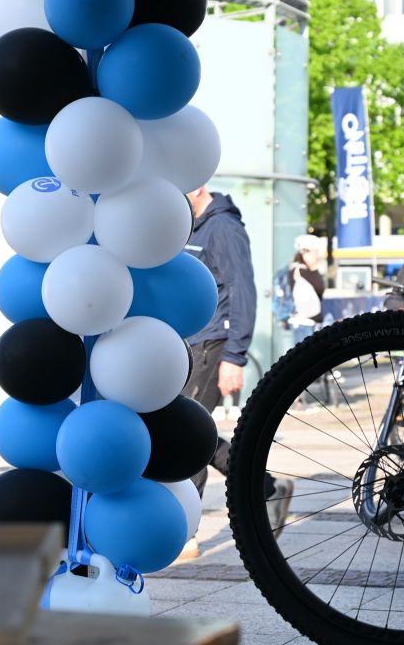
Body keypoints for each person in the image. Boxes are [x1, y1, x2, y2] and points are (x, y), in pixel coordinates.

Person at [180, 187, 292, 559]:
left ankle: (185, 532)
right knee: (185, 431)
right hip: (188, 344)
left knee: (187, 434)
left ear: (198, 187)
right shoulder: (190, 225)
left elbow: (243, 290)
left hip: (214, 343)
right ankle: (266, 487)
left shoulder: (224, 227)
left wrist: (234, 355)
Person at [286, 234, 326, 344]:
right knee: (306, 354)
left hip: (310, 323)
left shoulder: (303, 271)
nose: (316, 256)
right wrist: (314, 267)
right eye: (313, 252)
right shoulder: (299, 271)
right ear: (303, 253)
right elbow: (320, 287)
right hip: (303, 323)